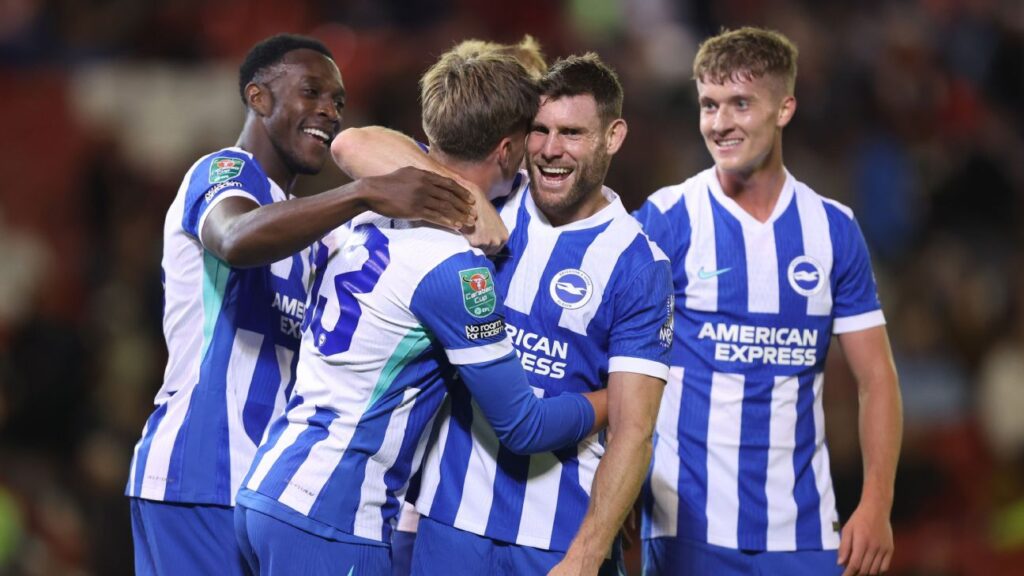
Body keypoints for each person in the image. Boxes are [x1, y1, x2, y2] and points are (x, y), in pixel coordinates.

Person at [233, 45, 608, 576]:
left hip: (268, 491)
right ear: (507, 150)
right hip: (335, 517)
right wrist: (617, 397)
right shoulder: (456, 267)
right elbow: (524, 425)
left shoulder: (365, 216)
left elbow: (360, 143)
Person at [125, 33, 477, 576]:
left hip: (270, 492)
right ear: (258, 98)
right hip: (197, 476)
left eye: (338, 101)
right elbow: (235, 237)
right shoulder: (224, 171)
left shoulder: (318, 233)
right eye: (311, 92)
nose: (329, 111)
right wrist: (361, 193)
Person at [336, 52, 674, 575]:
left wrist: (587, 553)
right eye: (539, 130)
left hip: (557, 541)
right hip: (448, 524)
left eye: (572, 133)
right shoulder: (491, 201)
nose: (551, 150)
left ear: (614, 137)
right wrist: (468, 195)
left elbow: (634, 432)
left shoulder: (639, 265)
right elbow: (357, 143)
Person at [633, 27, 902, 576]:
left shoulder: (833, 229)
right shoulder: (666, 218)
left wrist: (877, 502)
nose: (720, 123)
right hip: (687, 528)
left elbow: (877, 379)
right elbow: (617, 362)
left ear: (785, 108)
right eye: (709, 105)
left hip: (805, 529)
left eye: (740, 104)